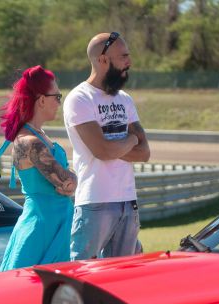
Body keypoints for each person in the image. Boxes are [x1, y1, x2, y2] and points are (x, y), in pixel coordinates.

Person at [64, 31, 150, 260]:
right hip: (95, 201)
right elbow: (102, 151)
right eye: (123, 56)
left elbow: (144, 153)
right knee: (83, 273)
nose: (129, 62)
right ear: (102, 59)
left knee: (124, 273)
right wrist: (131, 140)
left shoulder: (125, 99)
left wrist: (114, 146)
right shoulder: (80, 98)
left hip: (128, 201)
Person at [0, 66, 77, 272]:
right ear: (41, 100)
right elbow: (67, 182)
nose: (59, 103)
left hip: (55, 223)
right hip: (42, 228)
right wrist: (71, 177)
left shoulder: (39, 136)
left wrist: (70, 179)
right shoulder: (29, 142)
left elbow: (67, 183)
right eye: (57, 97)